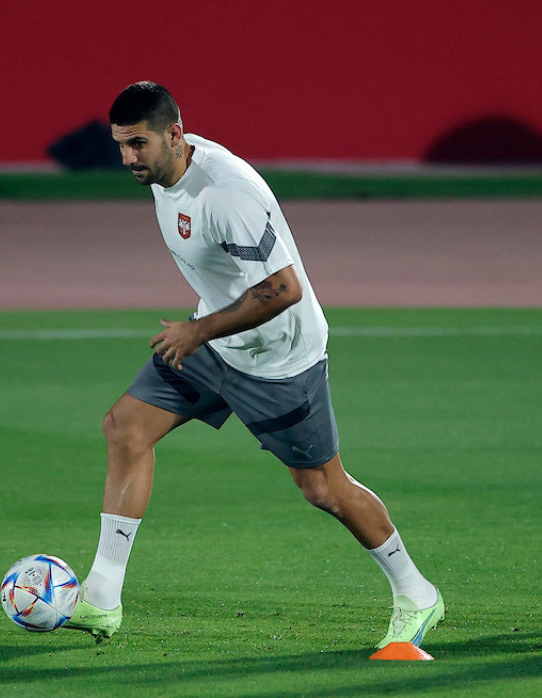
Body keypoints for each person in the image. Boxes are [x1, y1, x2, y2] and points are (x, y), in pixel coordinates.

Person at [64, 82, 444, 657]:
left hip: (278, 360)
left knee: (322, 487)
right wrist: (203, 331)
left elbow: (284, 289)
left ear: (174, 134)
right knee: (126, 427)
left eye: (137, 144)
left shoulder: (227, 194)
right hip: (215, 341)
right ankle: (101, 596)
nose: (127, 158)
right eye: (120, 145)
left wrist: (198, 331)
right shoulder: (166, 172)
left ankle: (417, 593)